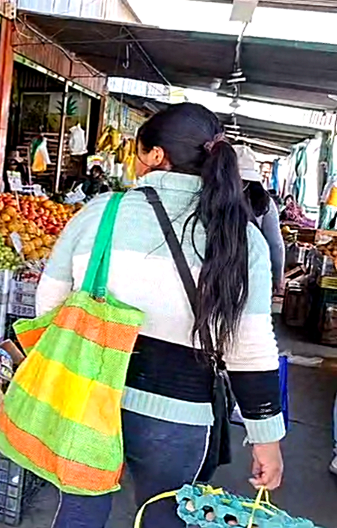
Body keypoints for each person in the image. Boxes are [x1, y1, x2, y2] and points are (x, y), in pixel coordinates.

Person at [36, 103, 284, 527]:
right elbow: (251, 348)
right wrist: (266, 439)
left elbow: (50, 303)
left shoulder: (103, 212)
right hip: (181, 415)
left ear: (155, 156)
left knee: (80, 510)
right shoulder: (241, 237)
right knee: (165, 517)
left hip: (90, 396)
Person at [236, 145, 285, 294]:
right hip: (252, 270)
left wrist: (277, 277)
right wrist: (277, 278)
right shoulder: (264, 201)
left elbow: (276, 245)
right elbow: (275, 244)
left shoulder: (210, 195)